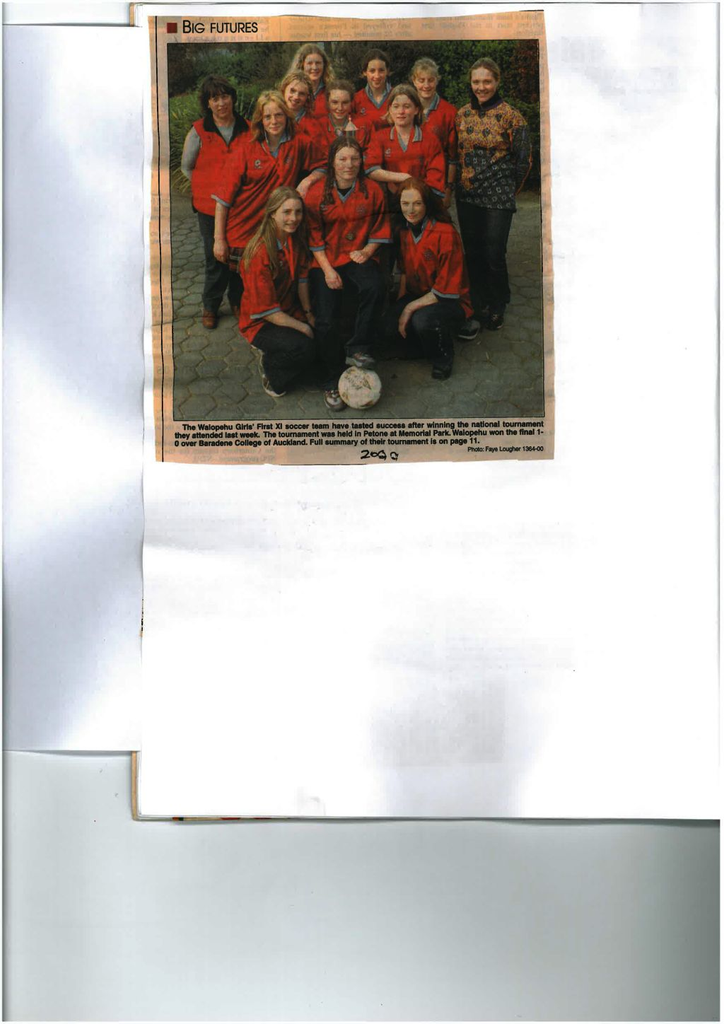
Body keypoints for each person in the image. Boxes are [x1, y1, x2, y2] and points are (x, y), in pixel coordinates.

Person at [305, 137, 391, 409]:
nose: (349, 164)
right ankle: (331, 378)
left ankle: (359, 348)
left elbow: (381, 226)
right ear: (332, 161)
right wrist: (328, 271)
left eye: (354, 158)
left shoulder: (372, 190)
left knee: (375, 286)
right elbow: (313, 235)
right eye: (342, 158)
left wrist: (367, 251)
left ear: (361, 161)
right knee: (325, 319)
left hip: (357, 255)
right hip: (325, 260)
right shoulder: (317, 192)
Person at [212, 91, 324, 283]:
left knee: (275, 281)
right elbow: (222, 200)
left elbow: (323, 165)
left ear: (286, 116)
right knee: (243, 286)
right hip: (244, 227)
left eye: (279, 115)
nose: (274, 121)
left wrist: (307, 181)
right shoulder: (246, 147)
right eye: (268, 116)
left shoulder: (298, 142)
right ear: (260, 120)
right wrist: (219, 239)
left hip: (276, 228)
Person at [455, 57, 531, 331]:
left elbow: (524, 161)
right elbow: (456, 152)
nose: (481, 87)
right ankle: (477, 301)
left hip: (498, 196)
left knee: (494, 252)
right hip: (467, 195)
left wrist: (508, 189)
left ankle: (498, 303)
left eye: (487, 81)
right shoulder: (462, 114)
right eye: (476, 81)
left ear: (497, 82)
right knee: (473, 252)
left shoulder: (513, 117)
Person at [384, 178, 474, 380]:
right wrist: (400, 303)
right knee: (389, 325)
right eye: (405, 203)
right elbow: (404, 270)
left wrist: (408, 308)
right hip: (419, 294)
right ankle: (422, 347)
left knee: (422, 320)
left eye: (417, 203)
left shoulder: (445, 232)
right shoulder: (403, 229)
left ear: (427, 204)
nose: (411, 210)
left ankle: (443, 358)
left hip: (449, 299)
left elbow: (446, 289)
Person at [180, 75, 249, 329]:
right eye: (215, 98)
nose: (221, 103)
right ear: (208, 103)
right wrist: (207, 187)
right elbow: (187, 166)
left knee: (238, 256)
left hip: (240, 208)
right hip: (209, 208)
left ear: (232, 98)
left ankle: (237, 301)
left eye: (225, 96)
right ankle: (211, 305)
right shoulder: (199, 131)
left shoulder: (248, 128)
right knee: (215, 256)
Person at [238, 187, 316, 399]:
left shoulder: (294, 239)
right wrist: (303, 327)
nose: (294, 218)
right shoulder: (259, 252)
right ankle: (271, 371)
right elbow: (268, 312)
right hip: (261, 322)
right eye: (286, 212)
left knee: (320, 336)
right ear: (272, 213)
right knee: (303, 346)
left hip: (287, 310)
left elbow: (302, 279)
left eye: (298, 212)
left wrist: (308, 313)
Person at [365, 84, 446, 199]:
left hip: (422, 200)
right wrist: (404, 177)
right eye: (396, 106)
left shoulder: (430, 140)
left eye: (407, 106)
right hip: (390, 201)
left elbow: (435, 179)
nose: (401, 111)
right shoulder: (379, 137)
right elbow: (370, 169)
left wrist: (411, 187)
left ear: (416, 109)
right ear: (390, 109)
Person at [409, 57, 457, 209]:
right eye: (421, 80)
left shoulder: (449, 112)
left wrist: (448, 190)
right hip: (409, 182)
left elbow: (453, 157)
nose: (426, 85)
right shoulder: (406, 109)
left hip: (437, 184)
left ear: (437, 80)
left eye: (431, 80)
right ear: (414, 81)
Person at [316, 80, 372, 155]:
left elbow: (372, 153)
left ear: (351, 102)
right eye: (335, 102)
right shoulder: (318, 126)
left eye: (345, 102)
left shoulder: (364, 124)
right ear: (328, 103)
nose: (340, 108)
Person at [279, 70, 326, 156]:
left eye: (302, 94)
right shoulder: (271, 116)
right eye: (292, 91)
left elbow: (320, 158)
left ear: (307, 97)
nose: (296, 97)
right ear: (284, 90)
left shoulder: (313, 126)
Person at [286, 44, 333, 121]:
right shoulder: (290, 92)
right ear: (302, 65)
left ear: (324, 65)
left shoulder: (331, 92)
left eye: (318, 63)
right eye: (309, 63)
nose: (314, 67)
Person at [352, 49, 392, 132]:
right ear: (364, 72)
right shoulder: (356, 99)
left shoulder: (397, 97)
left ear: (387, 71)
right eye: (372, 71)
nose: (377, 76)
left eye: (381, 70)